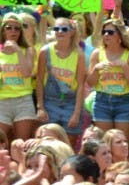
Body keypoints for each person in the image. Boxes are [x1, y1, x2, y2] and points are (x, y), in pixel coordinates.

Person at [87, 19, 129, 145]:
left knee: (123, 143)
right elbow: (90, 82)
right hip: (102, 101)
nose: (106, 35)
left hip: (124, 101)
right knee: (103, 144)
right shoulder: (97, 54)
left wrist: (125, 67)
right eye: (104, 32)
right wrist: (96, 69)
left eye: (110, 32)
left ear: (120, 36)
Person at [35, 17, 86, 143]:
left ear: (72, 32)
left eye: (64, 29)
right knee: (47, 141)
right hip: (49, 102)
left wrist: (76, 113)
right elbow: (39, 81)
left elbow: (80, 85)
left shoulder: (79, 54)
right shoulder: (45, 51)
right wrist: (40, 107)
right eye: (56, 29)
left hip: (71, 103)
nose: (59, 32)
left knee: (69, 144)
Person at [0, 11, 38, 141]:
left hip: (23, 100)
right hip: (2, 101)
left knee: (21, 144)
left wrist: (17, 51)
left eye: (17, 28)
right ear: (3, 30)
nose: (13, 31)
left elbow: (27, 73)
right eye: (9, 27)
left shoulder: (28, 50)